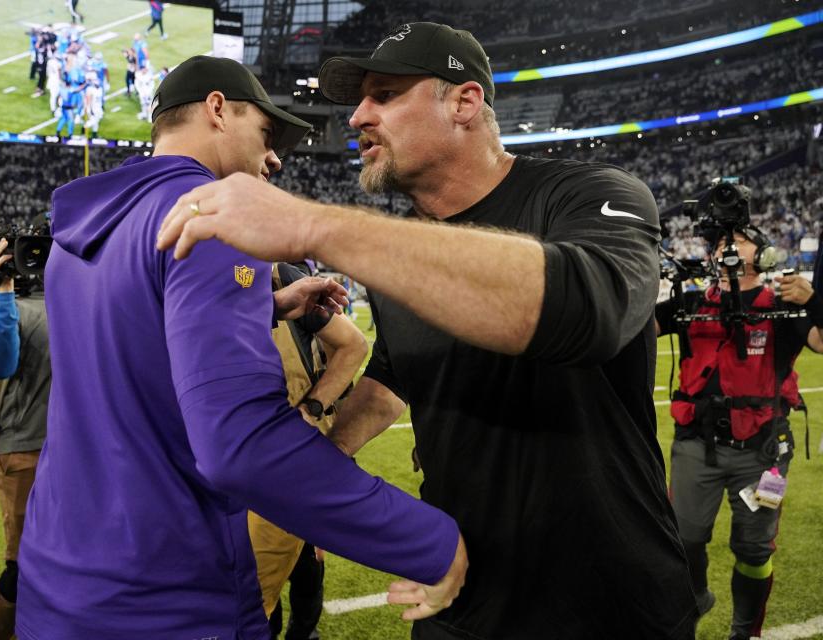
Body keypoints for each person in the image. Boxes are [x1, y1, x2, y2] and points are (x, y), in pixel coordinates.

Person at [156, 23, 698, 639]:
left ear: (465, 102)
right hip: (459, 595)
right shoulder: (397, 254)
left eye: (383, 94)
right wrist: (312, 466)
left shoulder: (589, 195)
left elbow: (587, 309)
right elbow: (395, 376)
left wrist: (318, 226)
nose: (357, 115)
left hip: (608, 600)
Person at [16, 54, 466, 640]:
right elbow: (240, 445)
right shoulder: (215, 219)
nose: (275, 157)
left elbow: (133, 338)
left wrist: (265, 306)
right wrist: (429, 543)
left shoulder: (83, 230)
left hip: (60, 578)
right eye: (267, 132)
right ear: (218, 110)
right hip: (163, 591)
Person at [656, 229, 823, 640]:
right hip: (697, 445)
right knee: (685, 537)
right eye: (718, 240)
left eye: (739, 236)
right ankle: (695, 594)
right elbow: (628, 327)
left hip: (764, 451)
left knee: (754, 548)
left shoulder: (785, 304)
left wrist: (815, 302)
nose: (727, 246)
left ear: (763, 251)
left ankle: (745, 631)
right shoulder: (691, 303)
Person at [252, 262, 367, 640]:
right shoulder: (194, 271)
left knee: (301, 556)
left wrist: (313, 407)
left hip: (292, 452)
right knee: (255, 572)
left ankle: (304, 632)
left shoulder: (282, 274)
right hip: (234, 454)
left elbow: (352, 345)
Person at [0, 238, 51, 640]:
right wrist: (4, 294)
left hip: (65, 450)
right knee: (22, 568)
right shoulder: (17, 306)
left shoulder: (73, 298)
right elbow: (0, 364)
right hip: (27, 450)